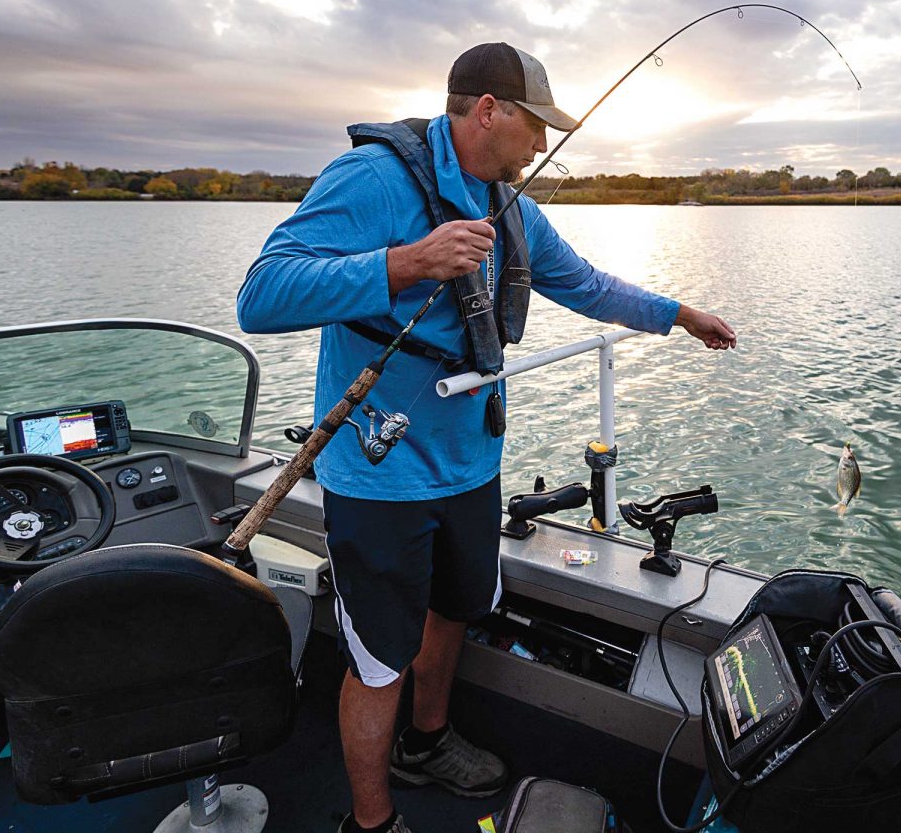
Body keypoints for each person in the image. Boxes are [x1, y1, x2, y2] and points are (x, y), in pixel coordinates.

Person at [236, 42, 736, 833]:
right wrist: (403, 263)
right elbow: (261, 295)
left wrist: (678, 314)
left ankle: (427, 742)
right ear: (487, 110)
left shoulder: (514, 207)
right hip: (381, 476)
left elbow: (588, 285)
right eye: (534, 126)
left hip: (471, 464)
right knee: (376, 656)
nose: (541, 145)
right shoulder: (369, 180)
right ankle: (371, 821)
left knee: (456, 610)